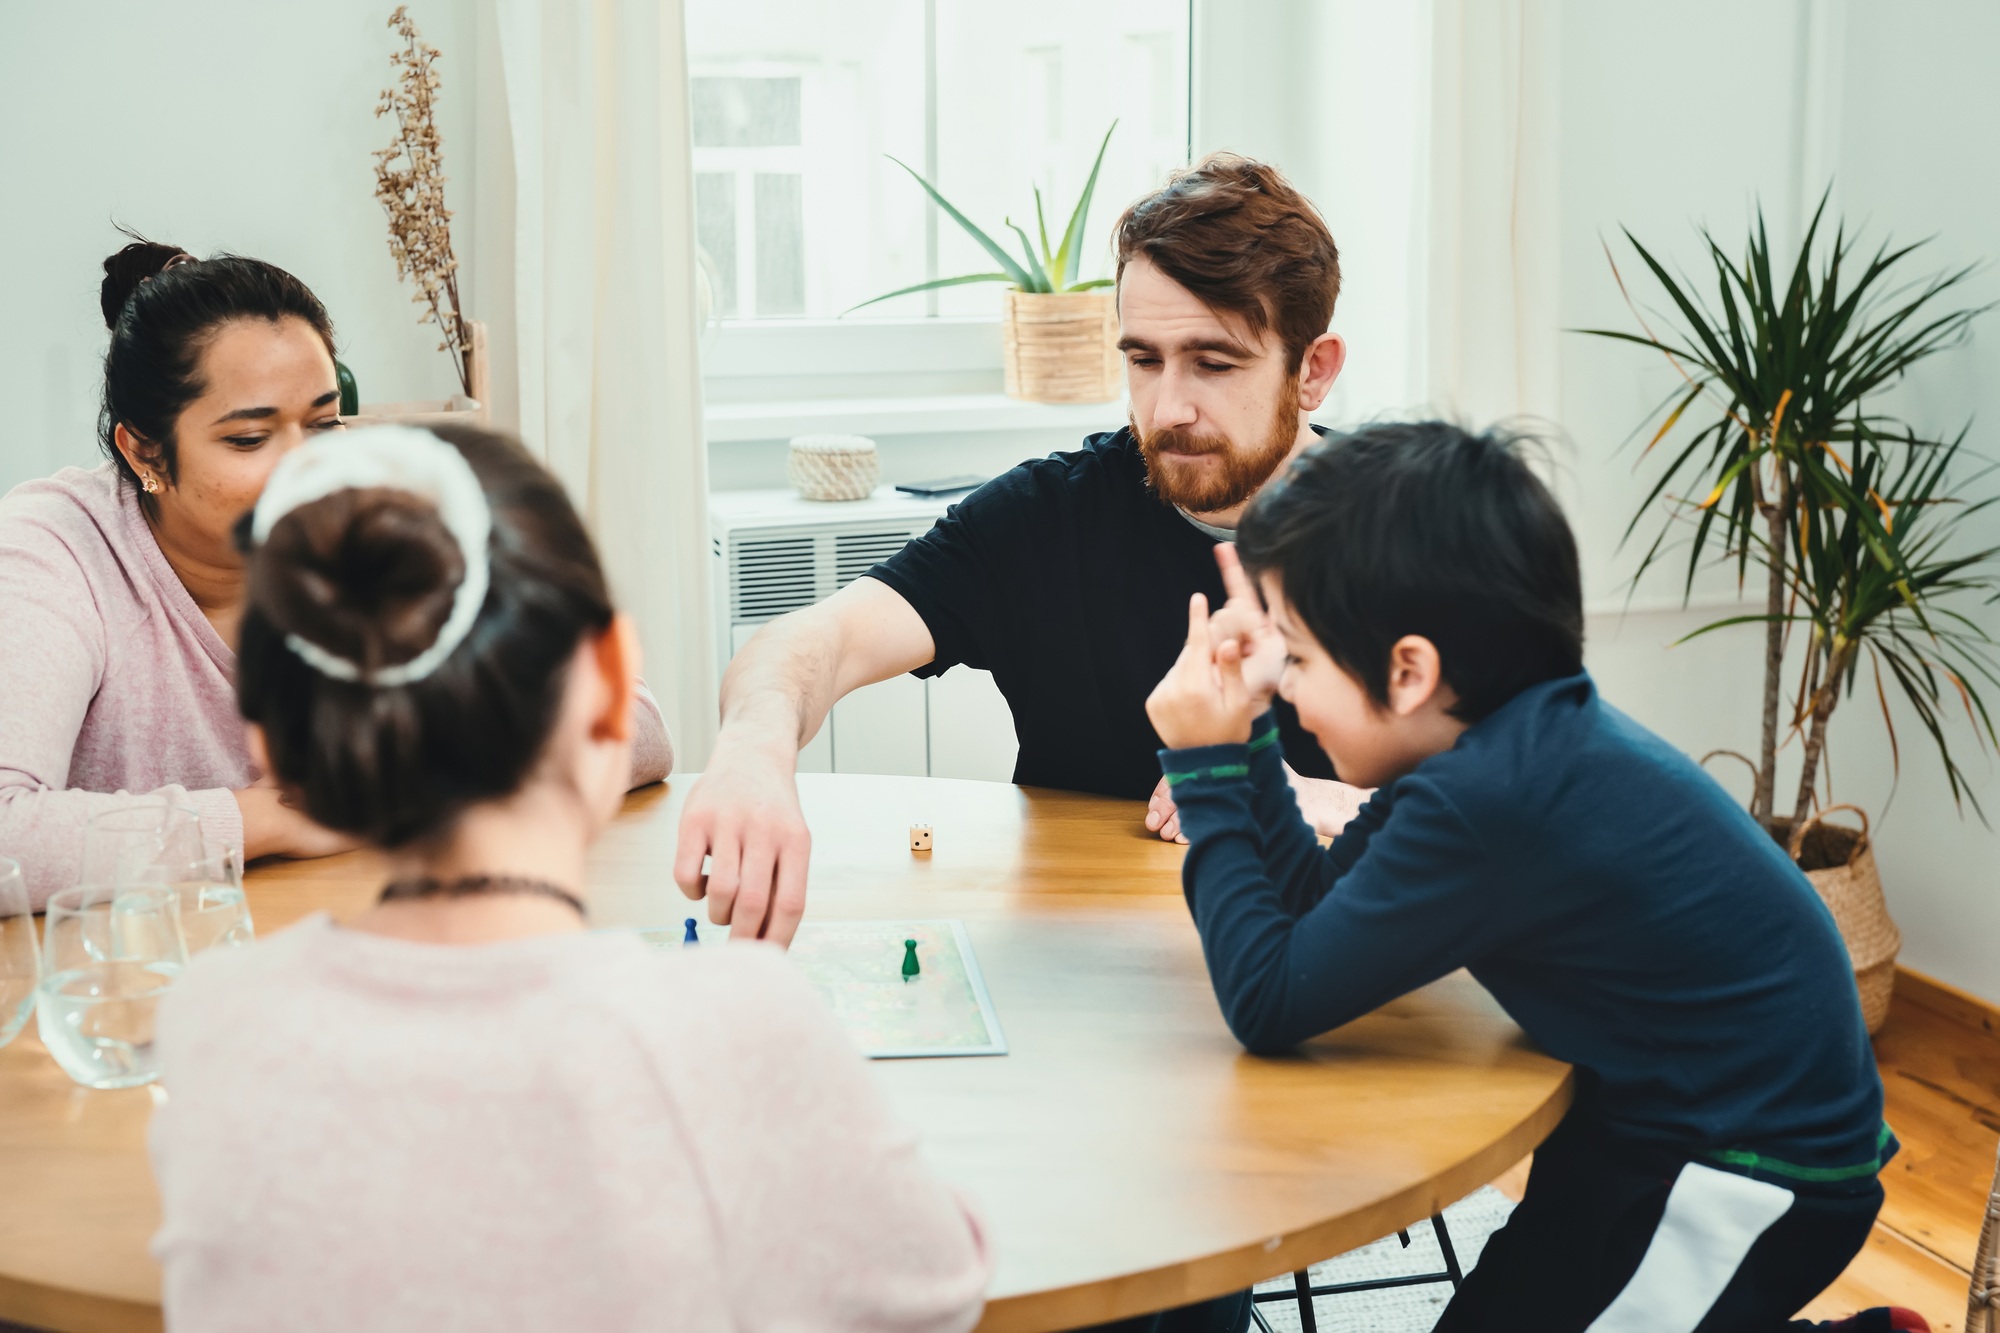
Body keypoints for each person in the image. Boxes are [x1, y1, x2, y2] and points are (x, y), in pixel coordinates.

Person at [149, 423, 990, 1332]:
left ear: (271, 741)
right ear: (611, 688)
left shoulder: (211, 1019)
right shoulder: (733, 1024)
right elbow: (936, 1294)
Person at [1144, 422, 1919, 1332]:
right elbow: (1312, 909)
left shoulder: (1490, 799)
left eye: (1298, 662)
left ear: (1408, 671)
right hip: (1644, 1116)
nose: (1287, 684)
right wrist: (1253, 732)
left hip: (1749, 1168)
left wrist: (1206, 763)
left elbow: (1270, 998)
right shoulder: (1491, 746)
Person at [676, 154, 1370, 950]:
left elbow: (1529, 797)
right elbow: (811, 641)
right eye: (1142, 359)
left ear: (1312, 371)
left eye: (1214, 363)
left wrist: (1324, 799)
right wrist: (750, 752)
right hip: (1082, 969)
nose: (1168, 406)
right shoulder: (1051, 514)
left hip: (1328, 973)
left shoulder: (1419, 531)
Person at [0, 238, 671, 905]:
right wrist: (271, 815)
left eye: (322, 423)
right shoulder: (53, 551)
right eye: (249, 438)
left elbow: (634, 722)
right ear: (144, 450)